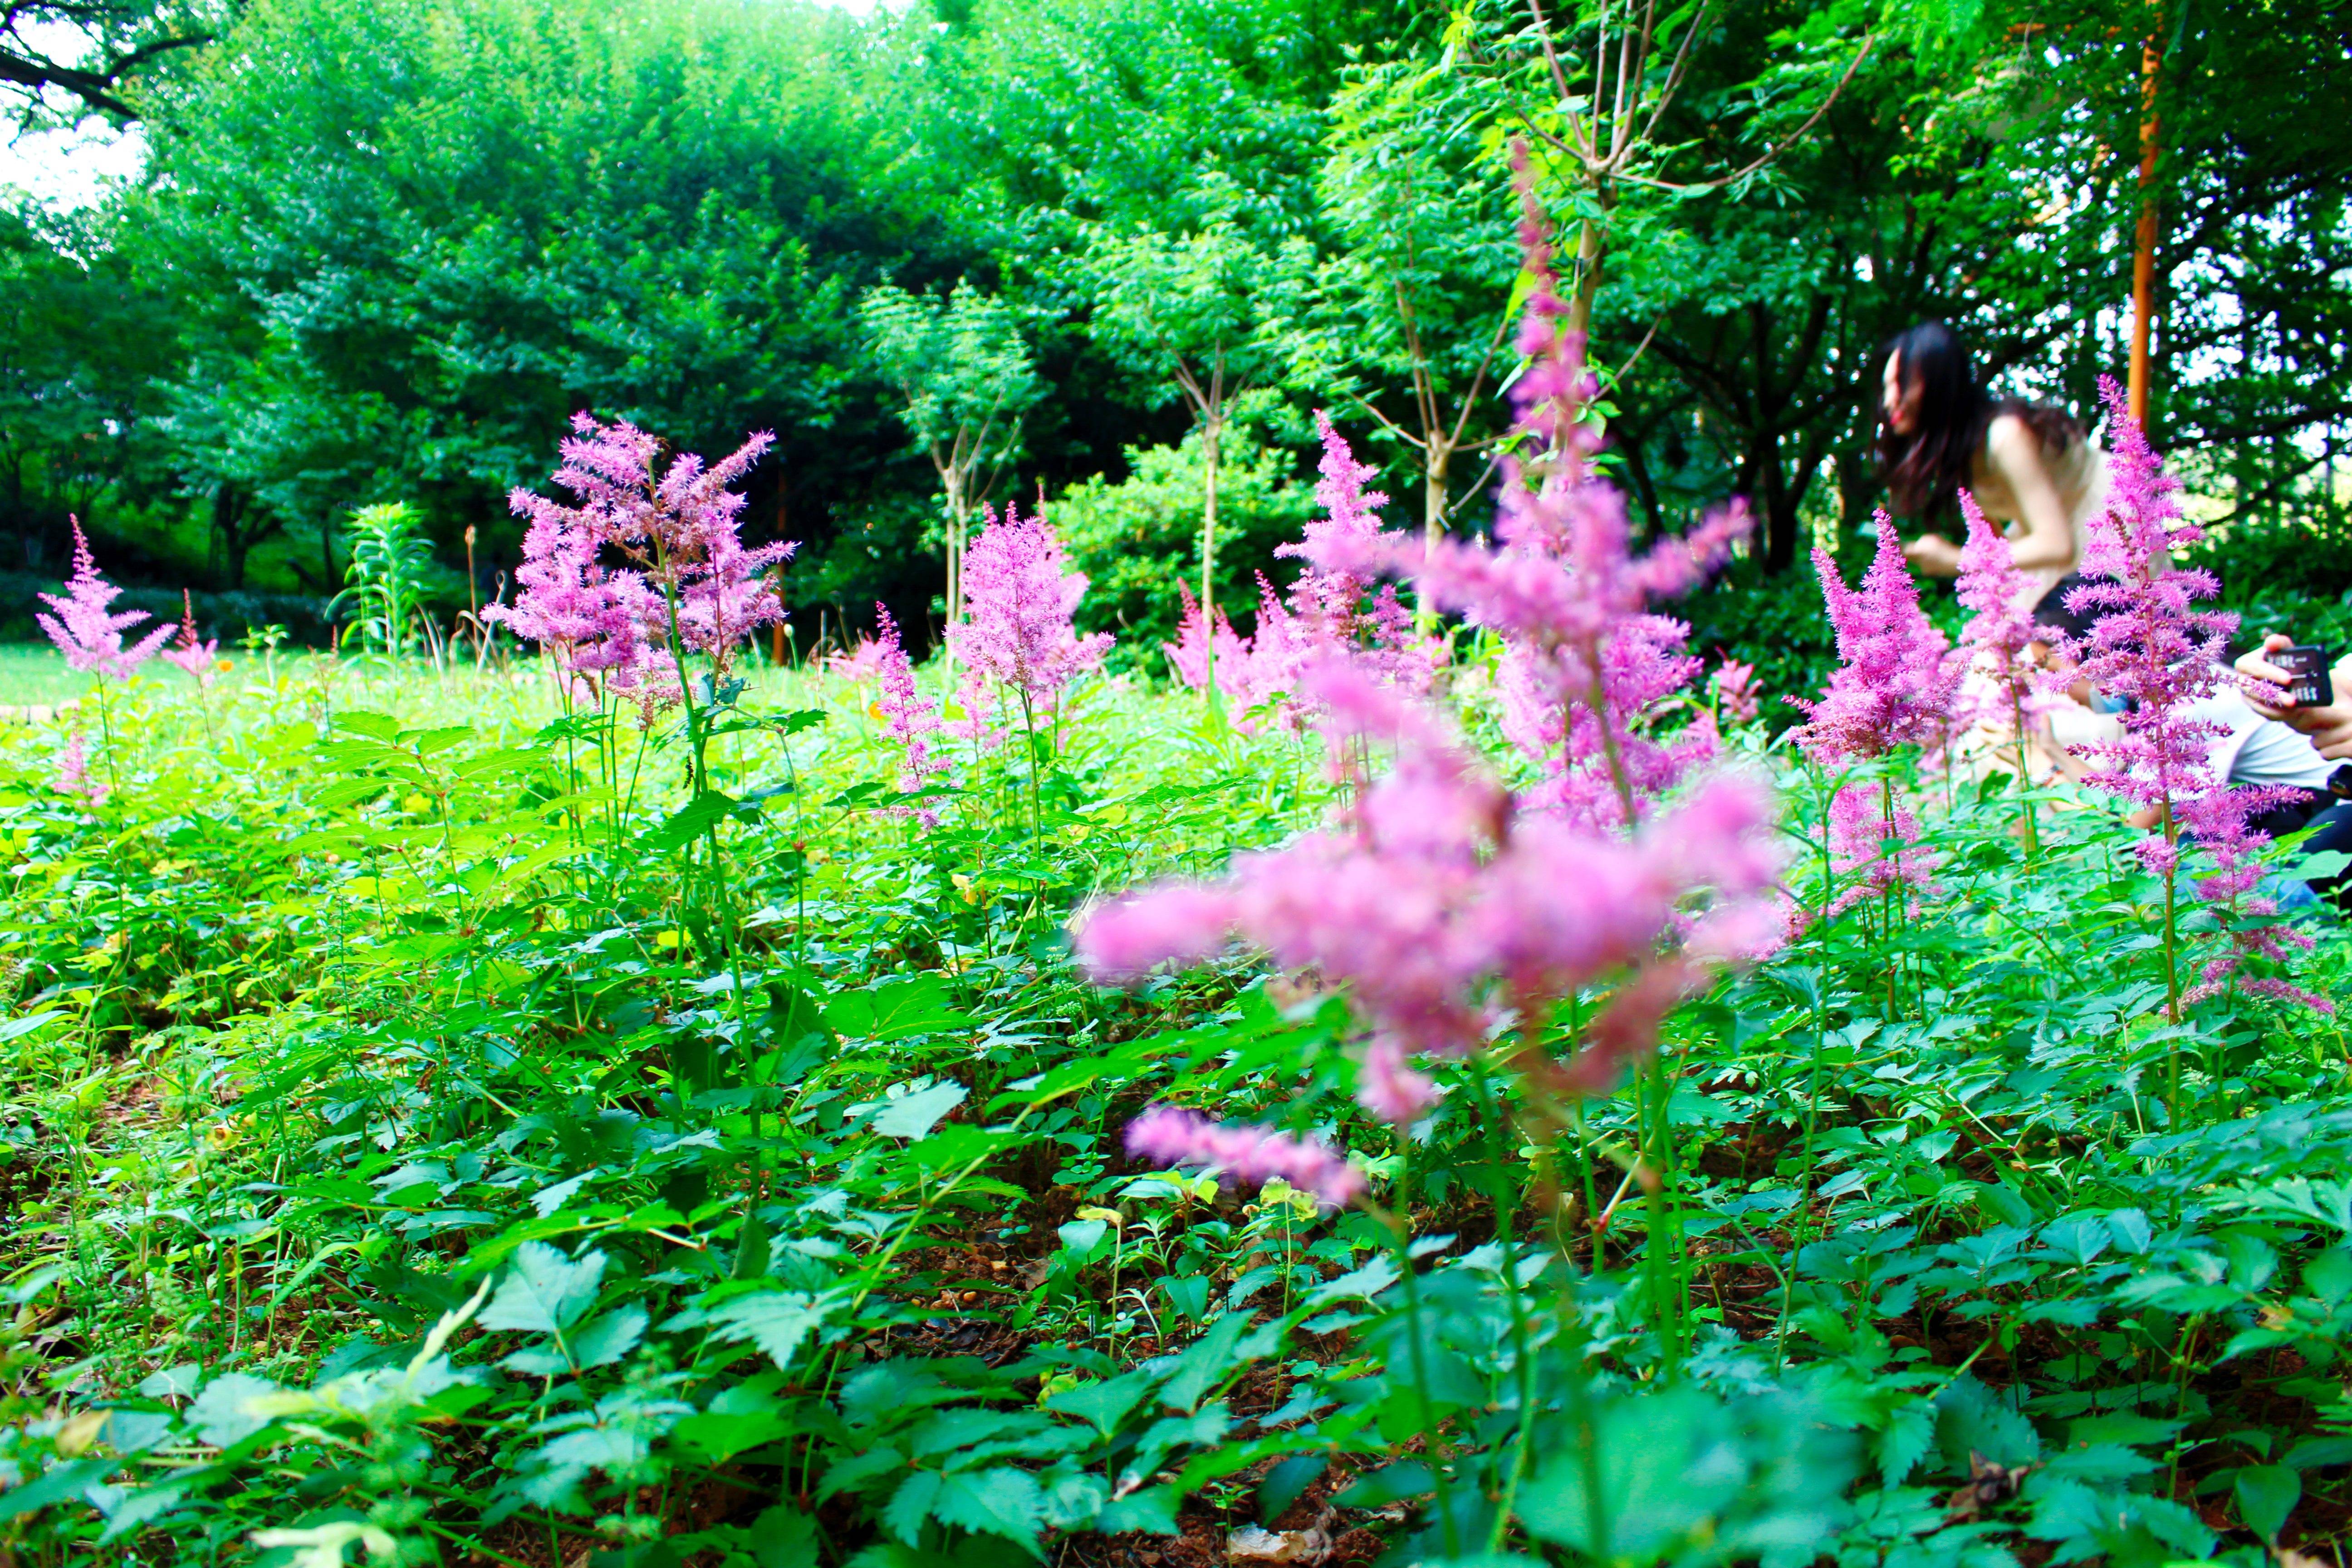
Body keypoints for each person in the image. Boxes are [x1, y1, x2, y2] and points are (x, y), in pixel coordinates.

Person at [1876, 322, 2109, 603]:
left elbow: (2057, 545)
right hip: (2045, 542)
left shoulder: (2005, 436)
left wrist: (1954, 559)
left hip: (2104, 521)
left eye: (1900, 384)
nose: (1889, 401)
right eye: (1886, 388)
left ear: (1938, 383)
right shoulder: (1958, 456)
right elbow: (1996, 547)